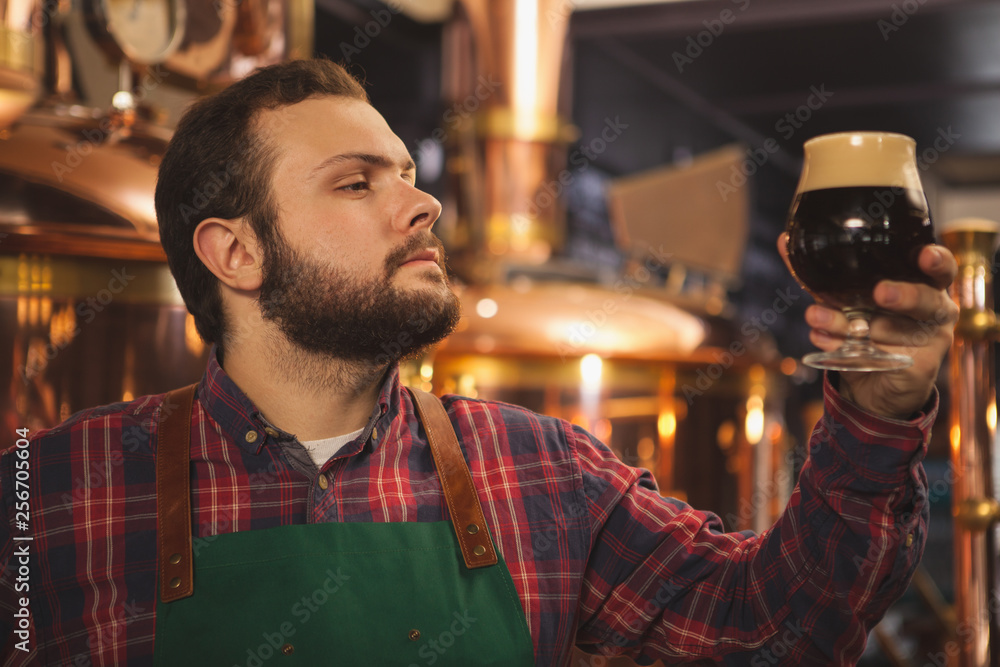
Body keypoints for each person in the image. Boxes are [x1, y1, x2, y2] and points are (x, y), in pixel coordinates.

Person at [1, 58, 957, 666]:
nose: (422, 208)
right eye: (357, 182)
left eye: (410, 175)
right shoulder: (44, 496)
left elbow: (775, 631)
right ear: (235, 254)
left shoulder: (545, 472)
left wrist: (876, 415)